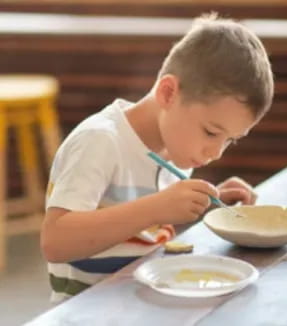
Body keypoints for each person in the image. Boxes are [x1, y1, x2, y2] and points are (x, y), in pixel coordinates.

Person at [40, 13, 274, 302]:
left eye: (230, 140)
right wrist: (156, 208)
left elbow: (139, 234)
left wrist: (204, 205)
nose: (215, 153)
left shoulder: (173, 150)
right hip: (87, 310)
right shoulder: (100, 141)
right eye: (212, 132)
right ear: (168, 93)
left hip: (143, 302)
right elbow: (56, 242)